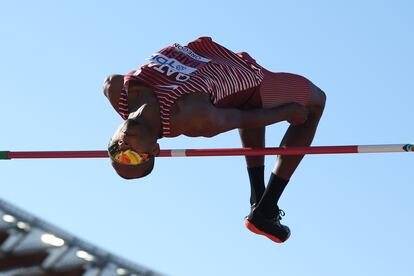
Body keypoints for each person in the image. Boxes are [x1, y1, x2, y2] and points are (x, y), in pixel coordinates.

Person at [103, 37, 326, 243]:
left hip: (214, 56)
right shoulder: (190, 118)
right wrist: (286, 112)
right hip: (250, 78)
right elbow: (243, 117)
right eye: (130, 157)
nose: (123, 147)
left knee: (248, 101)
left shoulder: (116, 91)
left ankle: (258, 200)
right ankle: (267, 207)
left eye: (114, 150)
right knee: (316, 100)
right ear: (154, 149)